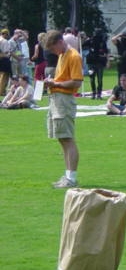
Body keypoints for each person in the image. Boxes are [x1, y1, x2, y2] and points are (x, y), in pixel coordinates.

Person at [43, 30, 84, 188]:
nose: (54, 52)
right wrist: (53, 81)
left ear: (60, 42)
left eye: (53, 48)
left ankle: (72, 177)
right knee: (62, 138)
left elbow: (76, 82)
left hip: (64, 100)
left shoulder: (73, 56)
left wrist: (56, 84)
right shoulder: (62, 55)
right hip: (56, 98)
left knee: (67, 138)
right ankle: (67, 175)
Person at [87, 28, 109, 100]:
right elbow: (82, 44)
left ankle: (99, 94)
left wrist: (107, 60)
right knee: (92, 78)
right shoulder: (90, 40)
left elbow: (106, 52)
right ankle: (94, 93)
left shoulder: (103, 42)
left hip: (100, 63)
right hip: (91, 63)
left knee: (99, 79)